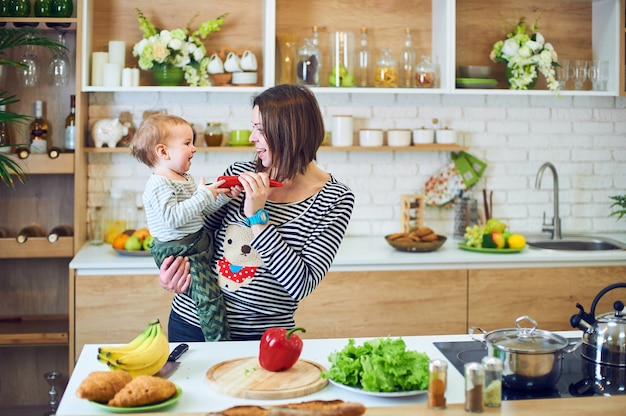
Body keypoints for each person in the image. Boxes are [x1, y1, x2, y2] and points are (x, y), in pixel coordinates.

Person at [158, 84, 355, 341]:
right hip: (191, 323)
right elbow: (195, 235)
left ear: (289, 133)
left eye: (260, 130)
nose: (252, 138)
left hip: (263, 338)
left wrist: (258, 218)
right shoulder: (240, 173)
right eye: (253, 128)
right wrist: (170, 271)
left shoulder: (334, 198)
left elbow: (300, 285)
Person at [131, 114, 241, 342]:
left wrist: (223, 197)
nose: (194, 148)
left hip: (197, 243)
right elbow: (173, 219)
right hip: (179, 252)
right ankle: (220, 346)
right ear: (163, 152)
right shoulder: (158, 185)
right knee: (209, 299)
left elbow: (200, 212)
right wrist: (204, 194)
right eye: (187, 143)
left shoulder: (185, 178)